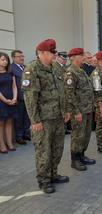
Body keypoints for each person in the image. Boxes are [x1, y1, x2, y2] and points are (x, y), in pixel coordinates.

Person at [22, 39, 69, 193]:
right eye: (51, 53)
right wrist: (35, 120)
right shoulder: (32, 69)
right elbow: (30, 98)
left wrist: (66, 110)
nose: (54, 55)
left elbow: (63, 91)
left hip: (58, 117)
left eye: (54, 52)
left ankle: (53, 174)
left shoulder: (56, 67)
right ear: (41, 53)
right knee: (44, 151)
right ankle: (43, 180)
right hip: (43, 119)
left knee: (57, 148)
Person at [65, 48, 96, 171]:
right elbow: (69, 94)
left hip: (87, 109)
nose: (84, 57)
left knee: (86, 134)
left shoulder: (81, 71)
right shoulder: (70, 72)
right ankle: (75, 160)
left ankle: (82, 155)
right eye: (82, 55)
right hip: (79, 111)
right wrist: (76, 111)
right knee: (78, 135)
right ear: (75, 57)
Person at [10, 50, 31, 145]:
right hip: (18, 97)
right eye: (19, 56)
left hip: (28, 96)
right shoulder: (11, 68)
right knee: (19, 118)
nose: (22, 58)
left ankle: (26, 133)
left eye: (22, 56)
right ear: (13, 58)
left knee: (27, 117)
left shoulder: (26, 67)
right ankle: (19, 136)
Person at [0, 52, 17, 153]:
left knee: (9, 122)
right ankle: (2, 145)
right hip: (1, 101)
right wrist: (5, 100)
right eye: (2, 59)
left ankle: (10, 143)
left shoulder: (10, 72)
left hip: (11, 100)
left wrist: (14, 98)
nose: (5, 61)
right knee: (1, 123)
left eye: (6, 60)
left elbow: (14, 86)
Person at [54, 51, 71, 135]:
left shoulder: (65, 68)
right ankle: (62, 128)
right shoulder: (55, 67)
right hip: (59, 94)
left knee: (65, 110)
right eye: (63, 59)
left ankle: (65, 127)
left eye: (65, 59)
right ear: (57, 58)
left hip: (66, 93)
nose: (65, 60)